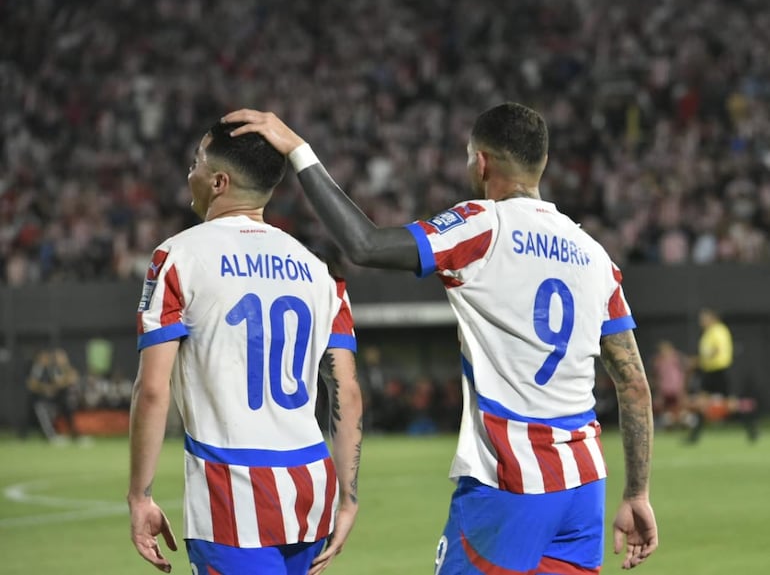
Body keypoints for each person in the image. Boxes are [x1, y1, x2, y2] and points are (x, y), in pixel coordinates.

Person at [223, 103, 658, 573]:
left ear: (483, 162)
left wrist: (298, 151)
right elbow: (632, 384)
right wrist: (637, 493)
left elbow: (365, 245)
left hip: (512, 481)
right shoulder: (595, 257)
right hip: (584, 486)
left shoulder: (484, 224)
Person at [127, 120, 363, 575]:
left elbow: (152, 390)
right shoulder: (319, 270)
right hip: (311, 487)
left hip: (231, 489)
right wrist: (348, 499)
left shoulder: (176, 257)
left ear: (219, 182)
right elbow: (346, 392)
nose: (189, 173)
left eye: (196, 162)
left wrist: (140, 495)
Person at [685, 308, 757, 443]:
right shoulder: (710, 332)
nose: (701, 321)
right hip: (710, 371)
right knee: (702, 402)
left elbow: (716, 350)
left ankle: (752, 429)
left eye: (704, 318)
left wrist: (698, 360)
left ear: (712, 317)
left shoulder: (718, 330)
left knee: (730, 404)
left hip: (719, 371)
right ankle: (693, 437)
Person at [23, 347, 81, 441]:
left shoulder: (54, 369)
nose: (47, 359)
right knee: (41, 409)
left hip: (56, 401)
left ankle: (75, 435)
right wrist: (45, 388)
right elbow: (31, 384)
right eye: (44, 357)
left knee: (67, 408)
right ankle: (51, 437)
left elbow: (69, 379)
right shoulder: (38, 368)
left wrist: (65, 367)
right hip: (41, 401)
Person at [651, 340, 689, 430]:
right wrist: (658, 392)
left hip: (676, 388)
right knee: (666, 410)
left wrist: (683, 388)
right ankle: (669, 425)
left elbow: (686, 370)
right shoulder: (658, 361)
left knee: (680, 408)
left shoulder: (677, 358)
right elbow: (656, 377)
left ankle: (683, 424)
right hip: (665, 390)